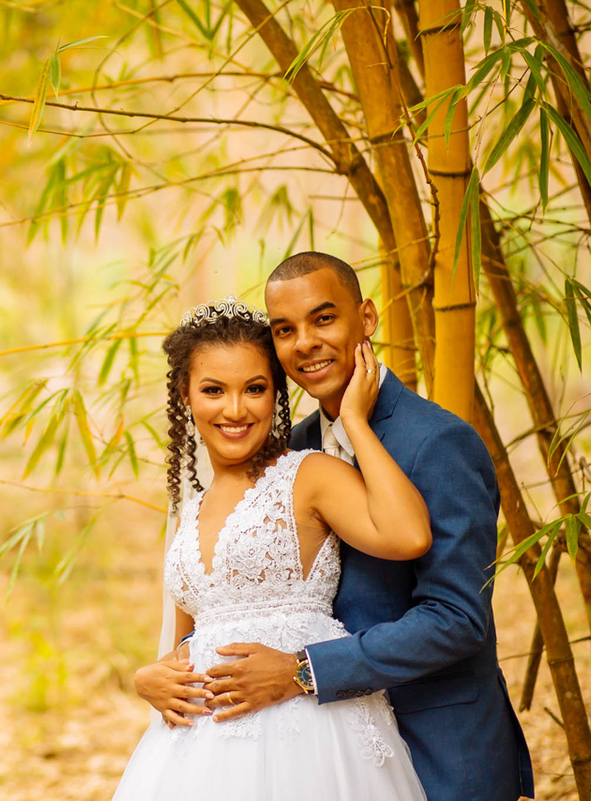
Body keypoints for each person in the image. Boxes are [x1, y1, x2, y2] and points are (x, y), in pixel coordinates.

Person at [134, 253, 533, 801]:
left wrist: (302, 671)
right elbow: (220, 604)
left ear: (366, 319)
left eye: (324, 319)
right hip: (289, 741)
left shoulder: (438, 442)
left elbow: (458, 619)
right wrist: (159, 673)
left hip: (432, 741)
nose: (305, 343)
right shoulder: (284, 451)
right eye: (284, 330)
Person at [112, 294, 429, 800]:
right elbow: (185, 638)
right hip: (197, 755)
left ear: (276, 394)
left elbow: (409, 535)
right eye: (213, 390)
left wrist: (356, 424)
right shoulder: (187, 508)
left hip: (307, 731)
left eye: (254, 389)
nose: (235, 410)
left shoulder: (308, 476)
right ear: (185, 395)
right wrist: (148, 679)